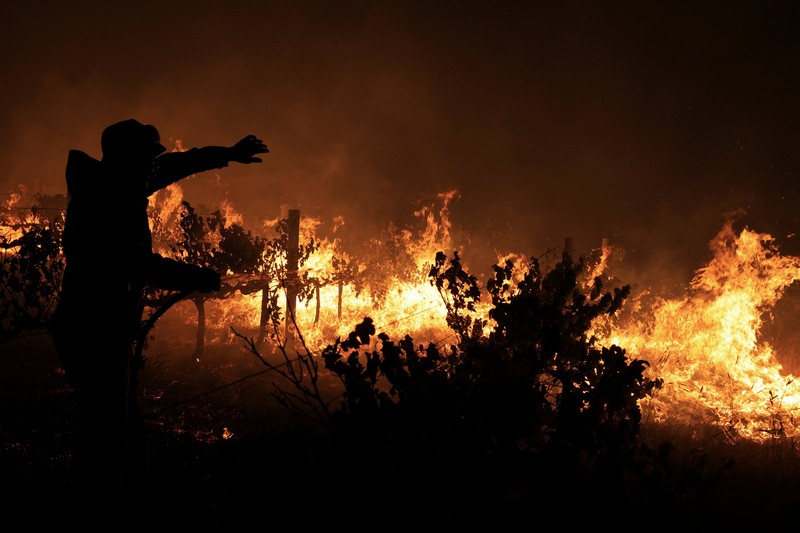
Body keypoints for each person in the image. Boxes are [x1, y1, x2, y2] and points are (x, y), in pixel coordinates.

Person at [50, 118, 268, 517]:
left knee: (119, 429)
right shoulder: (105, 200)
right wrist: (196, 276)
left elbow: (177, 165)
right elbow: (133, 264)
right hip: (93, 329)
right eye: (146, 157)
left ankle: (130, 501)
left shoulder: (122, 182)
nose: (154, 165)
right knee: (105, 434)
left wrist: (228, 154)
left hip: (104, 326)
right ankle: (101, 508)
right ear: (123, 157)